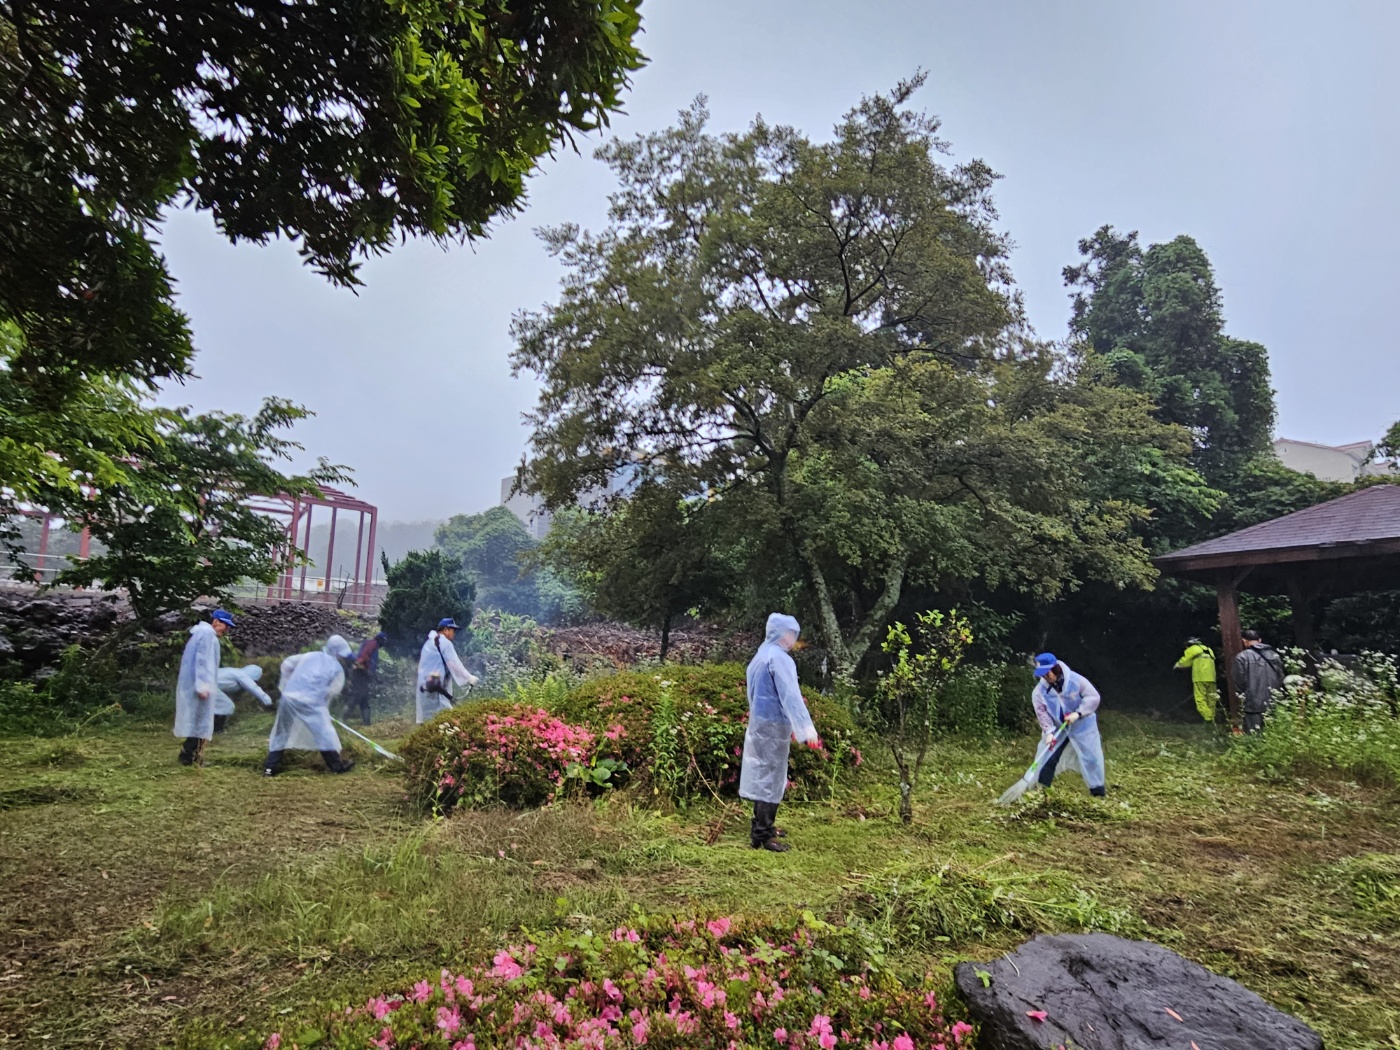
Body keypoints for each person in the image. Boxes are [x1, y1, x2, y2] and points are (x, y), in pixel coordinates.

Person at [740, 613, 820, 852]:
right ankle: (762, 835)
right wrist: (806, 731)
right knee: (770, 779)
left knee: (762, 774)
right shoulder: (779, 659)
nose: (792, 640)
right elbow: (791, 696)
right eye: (791, 634)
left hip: (760, 724)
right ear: (783, 633)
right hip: (773, 727)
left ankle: (762, 826)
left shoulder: (760, 655)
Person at [262, 635, 356, 776]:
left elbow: (287, 664)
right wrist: (323, 705)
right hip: (311, 703)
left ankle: (270, 768)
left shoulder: (308, 656)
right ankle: (337, 766)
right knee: (324, 733)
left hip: (288, 698)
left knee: (281, 731)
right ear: (338, 653)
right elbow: (332, 691)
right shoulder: (337, 669)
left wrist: (285, 685)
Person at [1030, 653, 1107, 797]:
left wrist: (1078, 713)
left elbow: (1093, 697)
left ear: (1056, 669)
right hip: (1059, 727)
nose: (1045, 677)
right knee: (1047, 756)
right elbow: (1042, 713)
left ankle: (1098, 793)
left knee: (1092, 759)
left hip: (1083, 726)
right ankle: (1041, 792)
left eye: (1047, 673)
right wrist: (1049, 733)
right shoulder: (1039, 692)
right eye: (1042, 675)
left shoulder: (1076, 681)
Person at [174, 609, 235, 766]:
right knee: (200, 722)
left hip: (197, 684)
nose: (226, 630)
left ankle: (189, 755)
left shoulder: (201, 633)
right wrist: (202, 686)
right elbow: (202, 662)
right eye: (225, 625)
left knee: (198, 721)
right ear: (215, 622)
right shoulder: (207, 635)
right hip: (200, 686)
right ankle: (190, 757)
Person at [415, 618, 479, 724]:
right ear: (445, 630)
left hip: (425, 688)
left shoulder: (429, 643)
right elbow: (453, 664)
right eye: (452, 630)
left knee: (429, 721)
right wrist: (469, 678)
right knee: (446, 721)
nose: (454, 634)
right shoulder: (444, 642)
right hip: (437, 690)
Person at [1231, 629, 1285, 734]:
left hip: (1253, 703)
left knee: (1254, 734)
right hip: (1273, 700)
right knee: (1273, 733)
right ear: (1260, 640)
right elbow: (1280, 677)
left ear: (1244, 641)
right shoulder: (1274, 655)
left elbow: (1238, 681)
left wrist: (1244, 696)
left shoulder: (1241, 657)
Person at [212, 663, 274, 732]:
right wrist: (269, 702)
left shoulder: (234, 671)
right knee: (227, 705)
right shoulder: (242, 675)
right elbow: (254, 688)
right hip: (210, 685)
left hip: (205, 682)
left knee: (218, 705)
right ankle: (217, 729)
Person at [342, 631, 387, 726]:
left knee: (364, 698)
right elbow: (364, 657)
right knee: (355, 697)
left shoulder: (371, 643)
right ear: (381, 640)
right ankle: (342, 720)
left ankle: (367, 723)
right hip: (360, 673)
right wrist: (369, 673)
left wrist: (373, 676)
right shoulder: (373, 644)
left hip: (362, 673)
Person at [1173, 637, 1219, 723]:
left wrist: (1177, 665)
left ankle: (1208, 719)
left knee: (1200, 699)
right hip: (1211, 677)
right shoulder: (1208, 650)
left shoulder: (1192, 649)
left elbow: (1185, 661)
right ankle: (1212, 718)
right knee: (1211, 699)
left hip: (1200, 678)